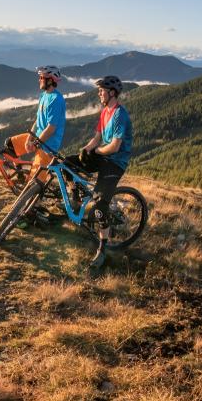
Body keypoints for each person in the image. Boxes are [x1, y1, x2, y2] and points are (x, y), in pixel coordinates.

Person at [64, 75, 133, 269]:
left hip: (115, 163)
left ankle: (102, 250)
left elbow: (114, 146)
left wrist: (95, 151)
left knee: (100, 207)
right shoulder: (105, 112)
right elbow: (97, 137)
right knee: (68, 163)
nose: (99, 93)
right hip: (103, 156)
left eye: (101, 90)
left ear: (112, 93)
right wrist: (85, 150)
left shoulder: (120, 114)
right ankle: (75, 197)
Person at [3, 66, 66, 188]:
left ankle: (34, 201)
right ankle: (20, 174)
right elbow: (37, 121)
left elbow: (51, 128)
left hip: (48, 146)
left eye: (42, 77)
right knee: (10, 144)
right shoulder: (44, 95)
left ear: (51, 80)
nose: (39, 80)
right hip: (38, 137)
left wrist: (36, 143)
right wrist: (29, 139)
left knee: (33, 184)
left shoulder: (56, 100)